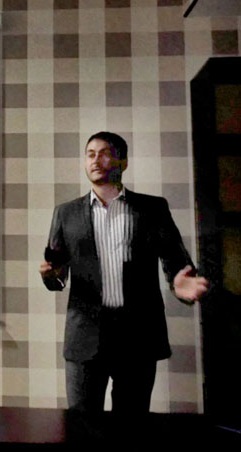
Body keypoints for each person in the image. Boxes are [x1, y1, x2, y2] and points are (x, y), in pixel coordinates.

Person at [39, 131, 208, 413]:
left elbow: (176, 260)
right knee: (82, 426)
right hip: (85, 339)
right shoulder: (65, 213)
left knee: (131, 427)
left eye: (104, 153)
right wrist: (51, 276)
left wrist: (181, 284)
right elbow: (57, 273)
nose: (95, 160)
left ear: (123, 162)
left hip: (138, 337)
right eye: (90, 154)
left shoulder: (152, 209)